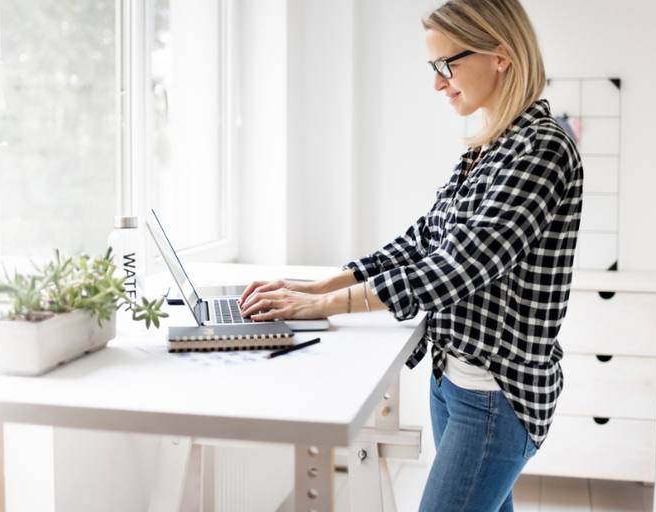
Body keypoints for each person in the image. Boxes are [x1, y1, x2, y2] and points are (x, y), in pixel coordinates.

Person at [238, 0, 582, 509]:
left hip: (496, 397)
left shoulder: (541, 149)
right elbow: (424, 239)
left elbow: (459, 266)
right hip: (454, 383)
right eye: (433, 68)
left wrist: (321, 308)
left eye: (448, 65)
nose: (439, 83)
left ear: (501, 55)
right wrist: (317, 288)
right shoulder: (489, 147)